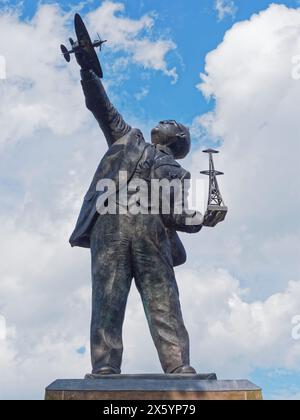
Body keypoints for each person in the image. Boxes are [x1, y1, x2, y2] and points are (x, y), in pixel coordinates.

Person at [69, 49, 218, 376]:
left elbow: (175, 216)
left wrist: (203, 219)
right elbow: (102, 108)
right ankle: (105, 365)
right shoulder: (128, 138)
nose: (163, 122)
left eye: (171, 123)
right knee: (107, 297)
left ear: (179, 140)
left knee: (163, 298)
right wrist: (87, 73)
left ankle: (178, 365)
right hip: (112, 222)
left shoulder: (179, 173)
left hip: (153, 232)